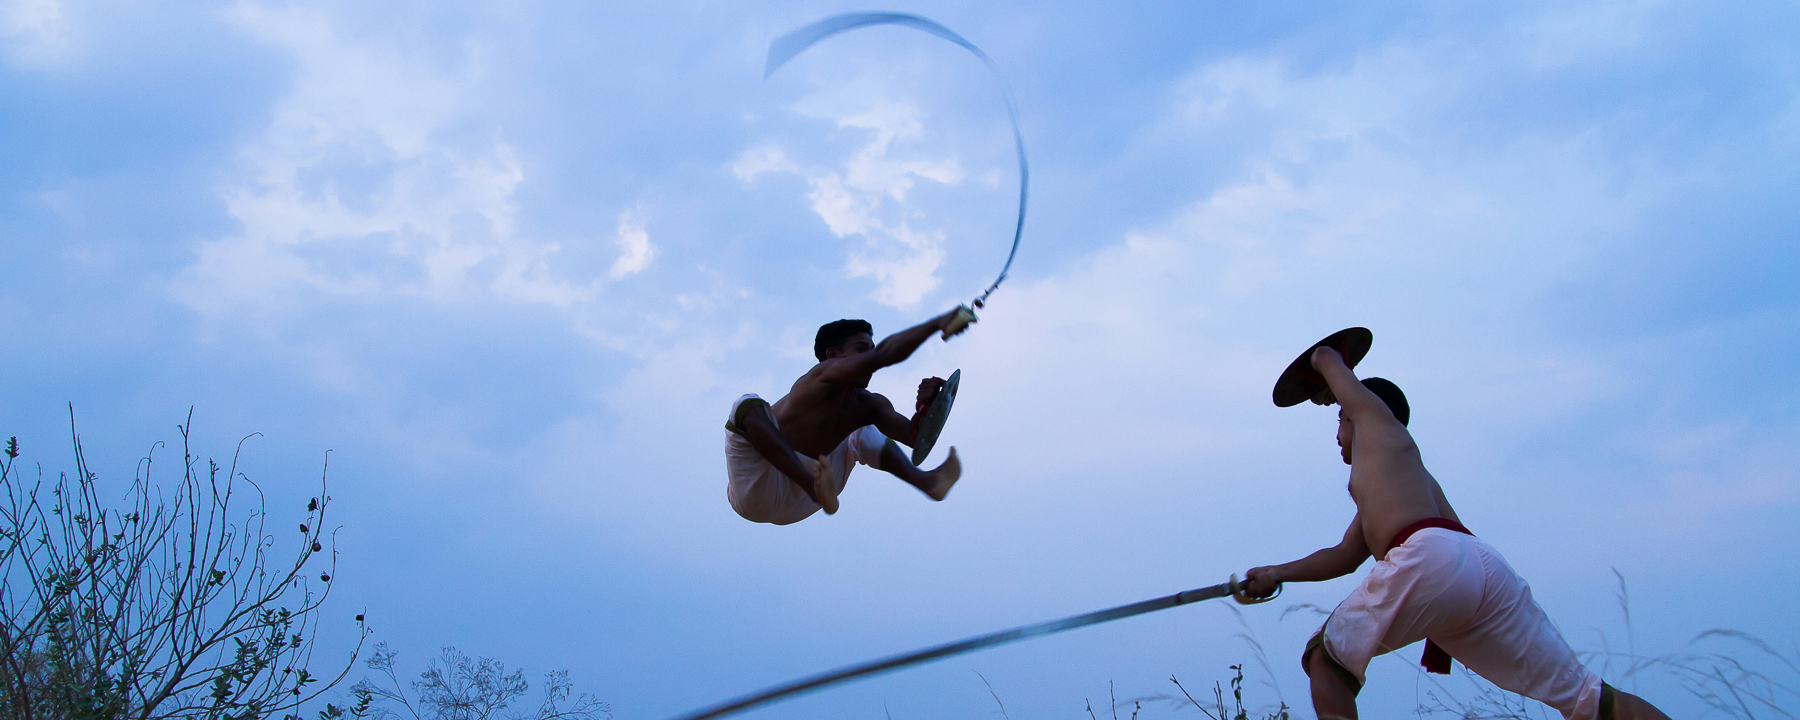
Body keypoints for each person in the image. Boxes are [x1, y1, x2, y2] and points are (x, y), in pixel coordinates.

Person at [1238, 345, 1671, 720]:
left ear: (1359, 410)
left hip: (1432, 556)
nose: (1337, 432)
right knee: (1588, 700)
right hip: (1480, 566)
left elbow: (1327, 356)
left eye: (1340, 418)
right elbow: (1345, 555)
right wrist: (1277, 573)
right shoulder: (1406, 479)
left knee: (1325, 660)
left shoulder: (1376, 424)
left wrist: (1325, 371)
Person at [723, 309, 971, 525]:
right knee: (746, 403)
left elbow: (917, 439)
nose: (868, 359)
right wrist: (937, 323)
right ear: (833, 355)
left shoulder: (869, 404)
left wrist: (929, 405)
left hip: (815, 488)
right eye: (861, 349)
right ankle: (813, 487)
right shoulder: (820, 378)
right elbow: (883, 356)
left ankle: (928, 483)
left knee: (863, 428)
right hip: (759, 484)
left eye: (869, 350)